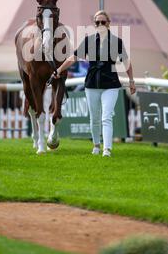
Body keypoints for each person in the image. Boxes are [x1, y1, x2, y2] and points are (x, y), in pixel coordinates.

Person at [52, 10, 136, 157]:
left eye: (103, 22)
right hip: (92, 84)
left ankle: (107, 149)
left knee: (106, 117)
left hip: (110, 84)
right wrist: (58, 70)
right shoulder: (88, 40)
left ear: (108, 23)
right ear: (94, 24)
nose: (100, 24)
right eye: (97, 22)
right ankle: (96, 145)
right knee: (94, 118)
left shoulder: (117, 42)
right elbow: (73, 58)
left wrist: (131, 81)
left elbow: (127, 63)